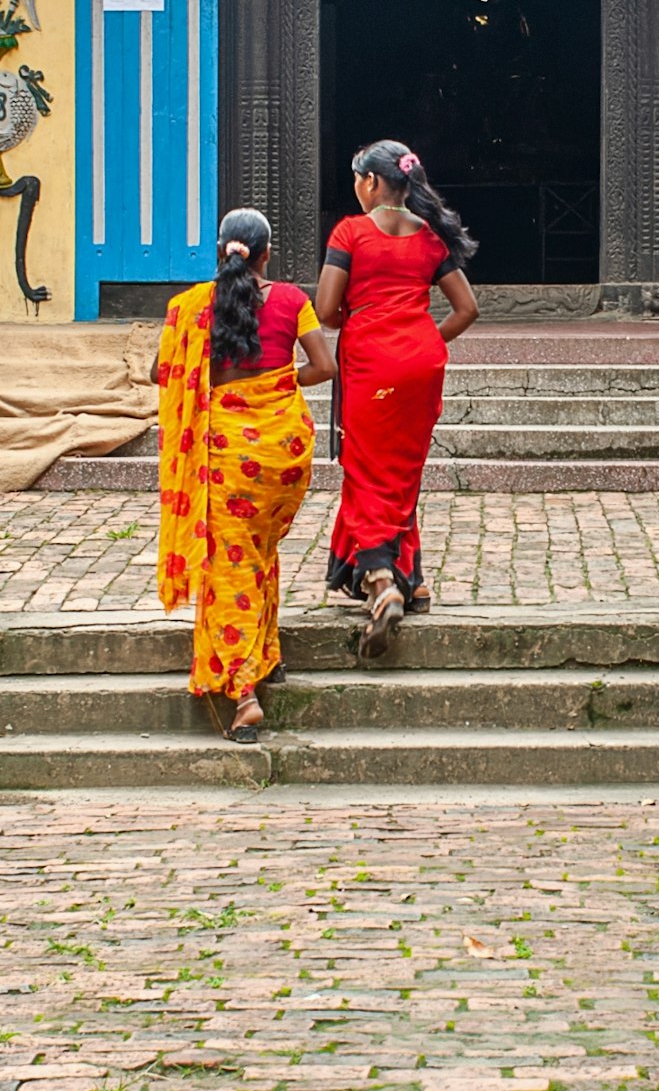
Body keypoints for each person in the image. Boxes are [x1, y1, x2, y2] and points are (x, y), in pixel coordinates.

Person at [153, 207, 332, 740]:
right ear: (267, 254)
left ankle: (243, 690)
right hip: (282, 455)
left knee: (229, 567)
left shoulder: (188, 308)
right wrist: (278, 380)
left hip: (225, 456)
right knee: (258, 550)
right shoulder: (293, 301)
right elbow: (325, 367)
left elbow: (162, 372)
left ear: (219, 251)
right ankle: (268, 654)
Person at [316, 138, 479, 656]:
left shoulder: (351, 232)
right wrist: (424, 340)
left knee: (366, 469)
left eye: (357, 179)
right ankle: (415, 578)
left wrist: (362, 320)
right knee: (401, 470)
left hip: (371, 361)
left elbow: (325, 309)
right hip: (421, 364)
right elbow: (467, 309)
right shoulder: (430, 237)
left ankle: (382, 579)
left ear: (370, 181)